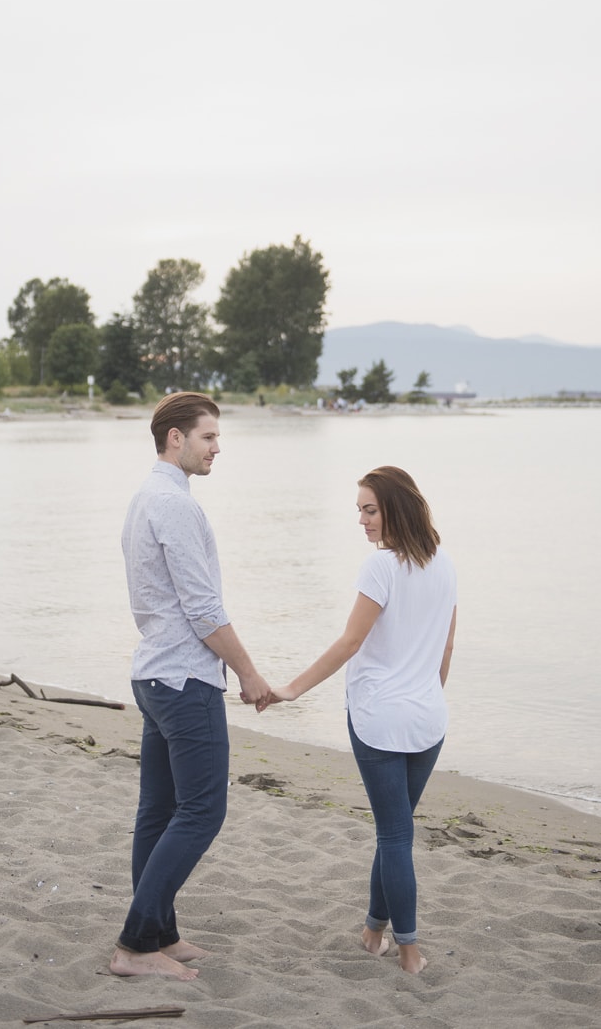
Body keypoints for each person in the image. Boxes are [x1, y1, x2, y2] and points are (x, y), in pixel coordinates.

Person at [262, 465, 457, 975]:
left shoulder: (381, 568)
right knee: (396, 831)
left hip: (379, 719)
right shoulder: (446, 565)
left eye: (369, 510)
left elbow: (351, 642)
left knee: (395, 836)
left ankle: (409, 950)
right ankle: (374, 933)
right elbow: (445, 650)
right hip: (428, 719)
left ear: (395, 508)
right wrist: (426, 696)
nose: (363, 520)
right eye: (360, 511)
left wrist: (291, 690)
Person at [110, 392, 272, 982]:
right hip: (183, 678)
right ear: (175, 438)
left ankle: (160, 933)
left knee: (159, 809)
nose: (217, 448)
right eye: (208, 438)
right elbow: (203, 610)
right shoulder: (173, 505)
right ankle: (134, 945)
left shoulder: (142, 500)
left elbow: (147, 598)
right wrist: (249, 674)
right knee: (203, 810)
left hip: (153, 672)